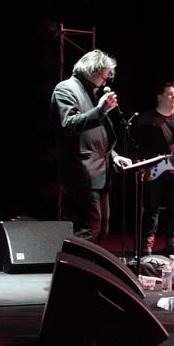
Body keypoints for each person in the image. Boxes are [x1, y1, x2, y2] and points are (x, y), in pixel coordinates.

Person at [51, 49, 132, 244]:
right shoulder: (66, 89)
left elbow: (97, 135)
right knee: (90, 226)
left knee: (102, 227)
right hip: (82, 170)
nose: (105, 82)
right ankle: (72, 270)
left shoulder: (90, 93)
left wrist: (113, 156)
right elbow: (68, 124)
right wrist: (101, 109)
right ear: (92, 72)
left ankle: (88, 269)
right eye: (103, 77)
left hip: (99, 172)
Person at [137, 81, 174, 259]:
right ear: (160, 97)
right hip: (154, 169)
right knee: (151, 208)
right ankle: (146, 242)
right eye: (170, 94)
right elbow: (139, 145)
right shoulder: (147, 119)